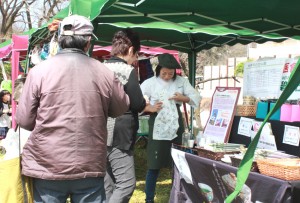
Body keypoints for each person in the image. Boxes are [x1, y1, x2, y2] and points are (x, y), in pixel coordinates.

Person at [15, 15, 130, 203]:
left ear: (60, 40)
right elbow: (120, 108)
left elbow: (24, 120)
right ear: (88, 41)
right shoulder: (105, 73)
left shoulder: (39, 72)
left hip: (48, 164)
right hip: (89, 163)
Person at [104, 29, 162, 203]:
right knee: (127, 184)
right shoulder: (126, 70)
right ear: (130, 50)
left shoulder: (100, 67)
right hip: (119, 135)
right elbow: (137, 104)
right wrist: (145, 102)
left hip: (99, 133)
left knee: (108, 184)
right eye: (136, 55)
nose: (136, 59)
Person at [140, 53, 201, 203]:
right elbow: (137, 102)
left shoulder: (181, 81)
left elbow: (196, 97)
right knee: (154, 164)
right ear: (158, 70)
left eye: (171, 73)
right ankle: (149, 198)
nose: (167, 76)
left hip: (176, 125)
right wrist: (150, 107)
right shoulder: (150, 83)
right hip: (158, 125)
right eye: (164, 73)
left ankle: (178, 196)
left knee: (178, 162)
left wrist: (183, 98)